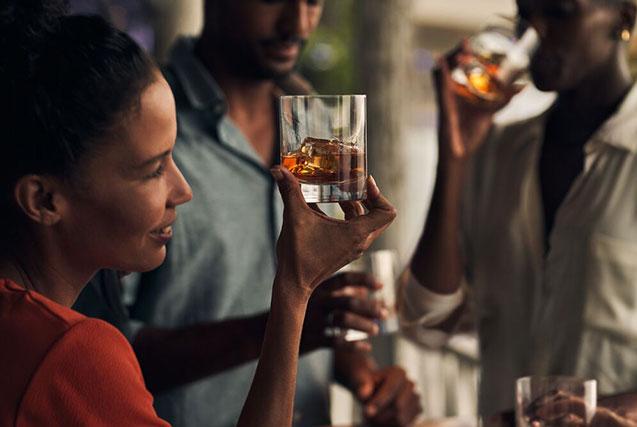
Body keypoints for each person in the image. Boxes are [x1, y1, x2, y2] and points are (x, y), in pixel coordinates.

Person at [0, 0, 397, 425]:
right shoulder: (73, 353)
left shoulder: (315, 126)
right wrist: (294, 291)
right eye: (154, 169)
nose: (184, 191)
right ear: (43, 200)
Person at [400, 0, 637, 423]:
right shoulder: (495, 152)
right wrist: (454, 155)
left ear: (624, 19)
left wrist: (603, 412)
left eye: (559, 12)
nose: (536, 31)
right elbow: (426, 325)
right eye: (526, 14)